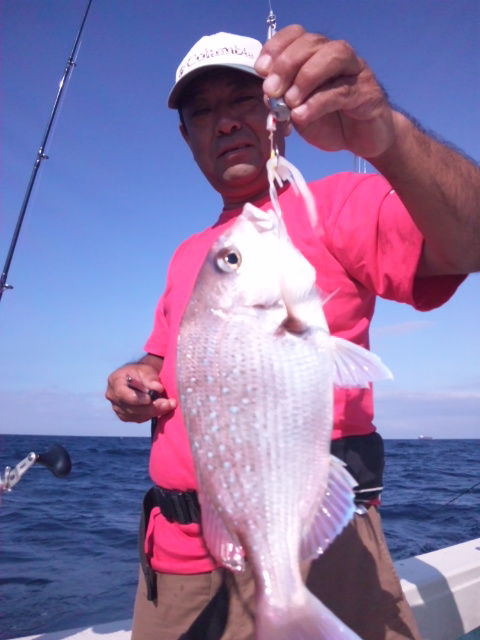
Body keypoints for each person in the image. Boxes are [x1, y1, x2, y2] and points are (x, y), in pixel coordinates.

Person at [105, 26, 479, 640]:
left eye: (243, 100)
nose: (226, 122)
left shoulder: (336, 204)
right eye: (203, 112)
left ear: (278, 111)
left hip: (318, 548)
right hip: (176, 561)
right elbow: (162, 359)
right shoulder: (189, 257)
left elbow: (472, 239)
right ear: (187, 137)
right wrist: (136, 378)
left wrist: (386, 134)